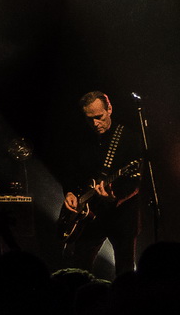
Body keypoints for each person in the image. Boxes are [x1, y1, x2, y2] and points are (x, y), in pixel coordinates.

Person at [60, 91, 143, 277]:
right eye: (89, 119)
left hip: (122, 215)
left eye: (99, 117)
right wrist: (70, 192)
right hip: (89, 215)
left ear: (109, 109)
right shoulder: (81, 139)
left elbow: (137, 182)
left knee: (125, 271)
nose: (95, 123)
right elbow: (70, 171)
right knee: (79, 268)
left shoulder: (131, 139)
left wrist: (115, 196)